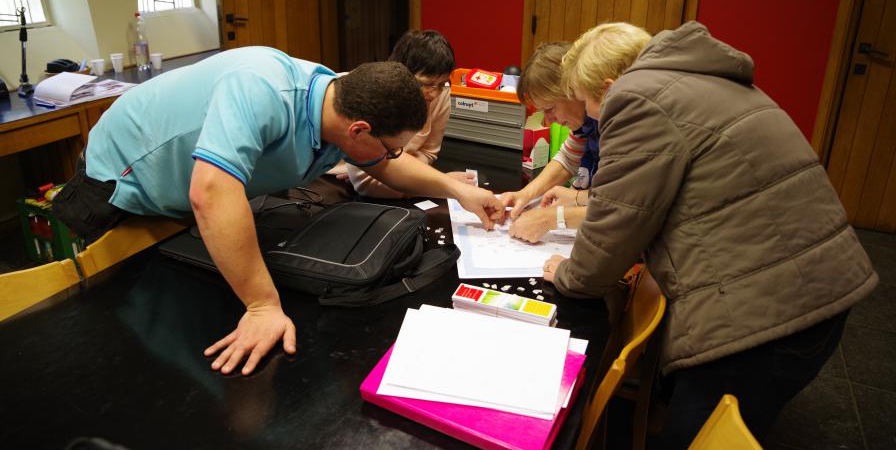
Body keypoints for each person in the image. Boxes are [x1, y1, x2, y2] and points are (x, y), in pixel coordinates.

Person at [52, 47, 504, 377]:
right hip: (123, 178)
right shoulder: (262, 89)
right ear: (359, 130)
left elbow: (386, 162)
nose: (393, 154)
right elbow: (210, 194)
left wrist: (451, 189)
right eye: (390, 146)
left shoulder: (343, 99)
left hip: (187, 196)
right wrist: (263, 305)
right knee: (125, 330)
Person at [543, 21, 878, 446]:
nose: (588, 112)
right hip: (814, 287)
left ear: (608, 87)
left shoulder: (636, 99)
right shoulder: (701, 81)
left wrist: (570, 276)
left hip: (767, 316)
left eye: (585, 100)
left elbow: (617, 222)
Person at [334, 29, 474, 197]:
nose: (434, 93)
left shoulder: (441, 91)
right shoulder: (368, 97)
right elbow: (367, 183)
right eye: (426, 84)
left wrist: (398, 176)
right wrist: (441, 185)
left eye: (442, 83)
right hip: (332, 179)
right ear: (400, 76)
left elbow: (428, 153)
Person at [498, 42, 599, 242]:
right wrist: (525, 194)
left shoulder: (610, 123)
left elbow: (619, 205)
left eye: (550, 108)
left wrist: (550, 219)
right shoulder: (585, 124)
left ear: (574, 90)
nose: (548, 120)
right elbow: (568, 159)